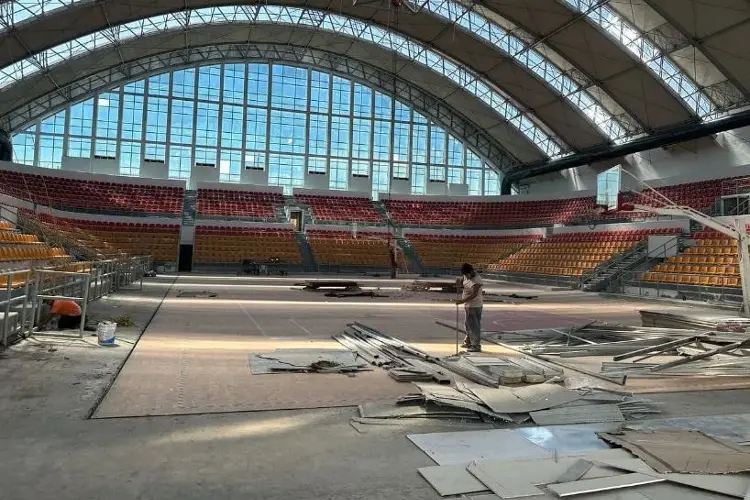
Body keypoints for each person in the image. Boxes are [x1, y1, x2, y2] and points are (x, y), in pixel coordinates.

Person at [455, 263, 483, 352]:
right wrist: (458, 284)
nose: (467, 276)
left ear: (471, 271)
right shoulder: (465, 276)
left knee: (474, 326)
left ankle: (476, 345)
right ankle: (469, 341)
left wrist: (462, 301)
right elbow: (462, 286)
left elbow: (474, 295)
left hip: (475, 305)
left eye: (468, 274)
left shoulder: (477, 280)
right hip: (468, 305)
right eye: (465, 275)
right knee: (468, 324)